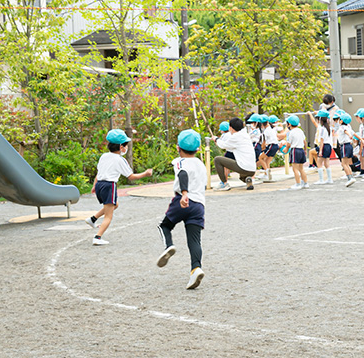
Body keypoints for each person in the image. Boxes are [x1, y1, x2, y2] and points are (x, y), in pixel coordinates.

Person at [156, 129, 208, 289]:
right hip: (199, 204)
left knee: (164, 225)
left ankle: (169, 246)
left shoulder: (180, 162)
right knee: (194, 240)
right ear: (198, 148)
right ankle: (195, 269)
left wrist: (184, 194)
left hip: (183, 200)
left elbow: (183, 174)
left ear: (178, 146)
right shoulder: (201, 164)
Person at [87, 129, 153, 246]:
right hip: (109, 186)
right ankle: (98, 237)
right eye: (125, 145)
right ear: (121, 147)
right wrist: (145, 174)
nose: (126, 148)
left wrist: (94, 186)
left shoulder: (104, 156)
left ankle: (92, 219)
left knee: (114, 205)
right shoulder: (120, 160)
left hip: (99, 185)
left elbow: (99, 172)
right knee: (109, 216)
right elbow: (131, 177)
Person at [214, 116, 258, 190]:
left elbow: (223, 145)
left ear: (230, 128)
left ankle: (224, 183)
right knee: (242, 177)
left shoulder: (235, 137)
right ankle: (247, 179)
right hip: (252, 169)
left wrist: (216, 139)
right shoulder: (245, 135)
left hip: (244, 168)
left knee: (217, 160)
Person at [285, 114, 309, 189]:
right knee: (301, 168)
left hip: (295, 150)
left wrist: (286, 149)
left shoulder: (291, 132)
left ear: (289, 124)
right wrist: (305, 149)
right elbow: (304, 141)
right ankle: (305, 183)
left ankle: (298, 184)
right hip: (301, 149)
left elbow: (289, 143)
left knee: (295, 168)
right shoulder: (300, 131)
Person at [335, 111, 358, 187]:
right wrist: (361, 139)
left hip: (344, 145)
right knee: (347, 163)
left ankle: (349, 177)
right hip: (349, 145)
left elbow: (346, 132)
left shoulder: (342, 127)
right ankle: (350, 176)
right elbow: (354, 133)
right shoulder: (348, 126)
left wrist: (349, 136)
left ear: (341, 121)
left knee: (344, 163)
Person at [311, 109, 335, 185]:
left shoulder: (322, 129)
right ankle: (329, 179)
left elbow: (322, 141)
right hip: (329, 146)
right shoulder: (329, 128)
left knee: (319, 163)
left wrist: (320, 151)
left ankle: (321, 180)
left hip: (324, 146)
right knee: (327, 163)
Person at [262, 115, 282, 181]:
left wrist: (263, 147)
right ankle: (266, 174)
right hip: (275, 146)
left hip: (271, 146)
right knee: (267, 161)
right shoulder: (272, 129)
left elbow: (265, 141)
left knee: (260, 158)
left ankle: (267, 173)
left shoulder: (266, 131)